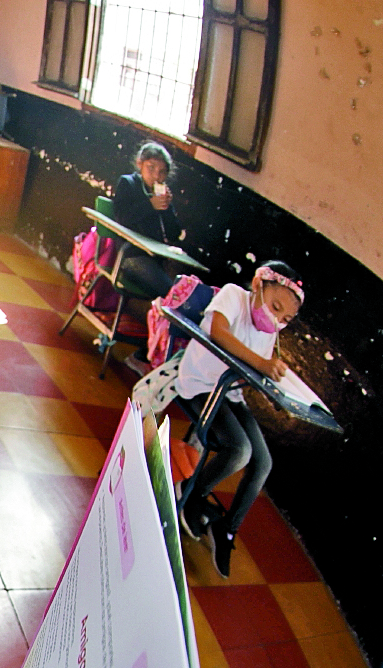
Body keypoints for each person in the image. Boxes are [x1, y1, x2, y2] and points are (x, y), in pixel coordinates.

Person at [174, 263, 305, 578]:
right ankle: (193, 496)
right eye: (275, 307)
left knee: (263, 463)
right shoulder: (234, 296)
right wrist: (261, 363)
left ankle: (227, 530)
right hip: (201, 385)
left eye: (285, 319)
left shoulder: (268, 333)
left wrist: (275, 378)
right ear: (259, 284)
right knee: (240, 450)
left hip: (229, 394)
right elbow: (218, 332)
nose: (276, 320)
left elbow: (252, 371)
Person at [110, 141, 183, 302]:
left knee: (182, 292)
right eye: (151, 168)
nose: (157, 176)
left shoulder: (161, 195)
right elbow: (122, 218)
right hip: (130, 256)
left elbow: (174, 233)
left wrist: (167, 208)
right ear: (140, 164)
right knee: (172, 296)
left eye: (162, 172)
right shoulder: (128, 184)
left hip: (155, 260)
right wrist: (150, 205)